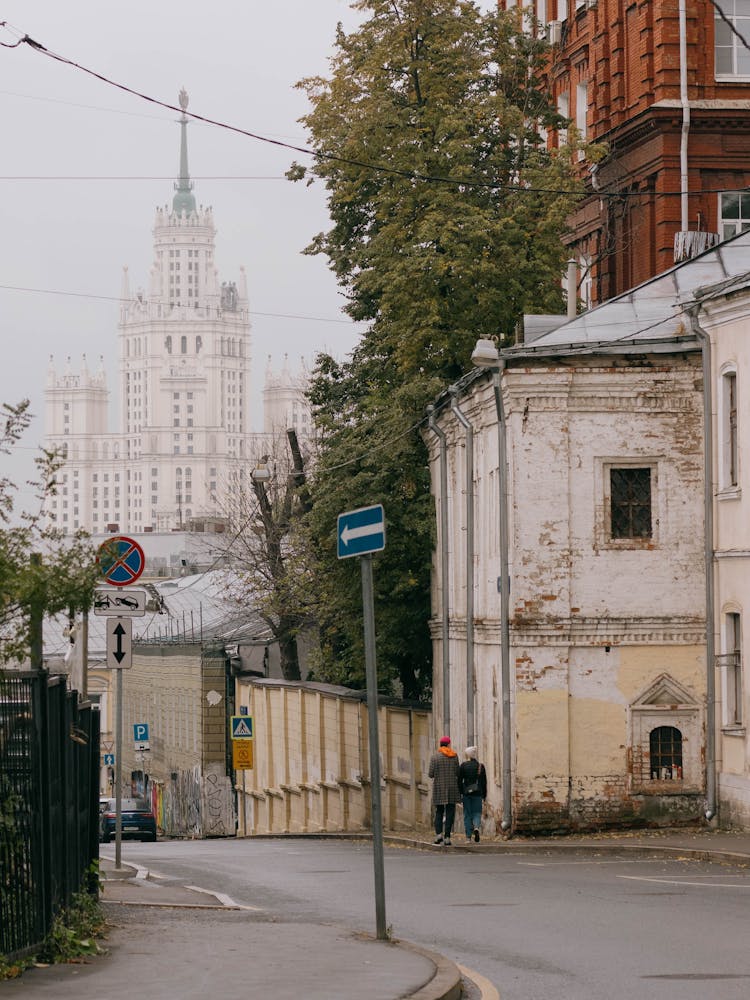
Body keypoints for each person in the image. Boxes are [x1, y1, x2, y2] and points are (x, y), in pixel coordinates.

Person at [428, 735, 461, 845]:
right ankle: (447, 837)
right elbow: (457, 772)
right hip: (452, 788)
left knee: (439, 812)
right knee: (450, 812)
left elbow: (430, 774)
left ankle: (438, 836)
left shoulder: (435, 757)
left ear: (440, 745)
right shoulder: (454, 756)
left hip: (439, 788)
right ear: (448, 744)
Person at [459, 746, 486, 842]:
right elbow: (484, 782)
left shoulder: (463, 766)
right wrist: (484, 795)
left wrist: (460, 793)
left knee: (467, 814)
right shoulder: (480, 766)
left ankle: (468, 837)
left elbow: (459, 781)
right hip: (478, 793)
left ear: (467, 755)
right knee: (477, 813)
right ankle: (477, 827)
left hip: (466, 793)